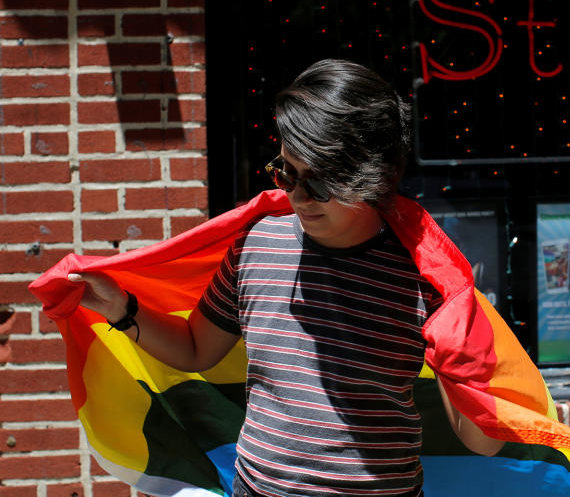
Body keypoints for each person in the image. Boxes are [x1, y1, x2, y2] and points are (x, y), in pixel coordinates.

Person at [66, 60, 502, 497]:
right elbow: (197, 349)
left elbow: (482, 442)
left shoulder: (426, 279)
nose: (297, 195)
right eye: (287, 172)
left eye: (319, 182)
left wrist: (472, 356)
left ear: (372, 173)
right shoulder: (256, 245)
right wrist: (119, 309)